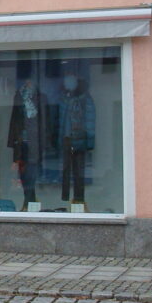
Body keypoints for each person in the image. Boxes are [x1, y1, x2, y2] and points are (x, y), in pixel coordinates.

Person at [7, 70, 46, 206]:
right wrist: (12, 141)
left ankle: (30, 202)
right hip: (21, 141)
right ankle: (28, 201)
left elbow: (46, 122)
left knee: (32, 172)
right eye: (26, 81)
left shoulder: (41, 98)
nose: (28, 83)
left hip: (35, 141)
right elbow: (14, 120)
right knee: (23, 173)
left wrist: (46, 142)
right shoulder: (19, 96)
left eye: (30, 81)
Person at [58, 74, 95, 205]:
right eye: (66, 82)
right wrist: (58, 140)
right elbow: (60, 122)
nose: (66, 84)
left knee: (79, 171)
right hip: (66, 139)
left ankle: (79, 199)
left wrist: (89, 143)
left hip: (79, 139)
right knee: (65, 170)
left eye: (69, 82)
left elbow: (90, 121)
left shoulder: (85, 100)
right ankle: (65, 199)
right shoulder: (64, 99)